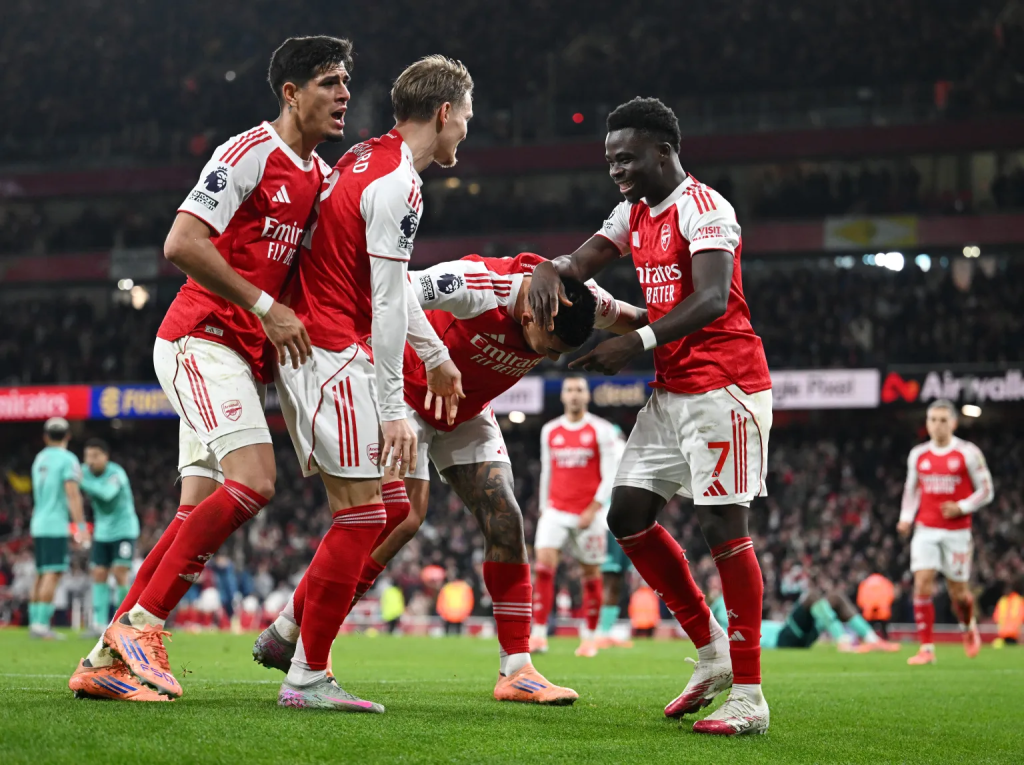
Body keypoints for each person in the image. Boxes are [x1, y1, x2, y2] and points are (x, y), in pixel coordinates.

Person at [72, 36, 353, 702]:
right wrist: (265, 306)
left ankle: (104, 657)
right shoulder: (247, 154)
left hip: (237, 355)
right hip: (200, 339)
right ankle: (141, 625)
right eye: (329, 82)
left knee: (193, 512)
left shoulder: (317, 175)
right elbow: (180, 242)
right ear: (291, 92)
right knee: (254, 480)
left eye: (346, 82)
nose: (344, 94)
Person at [257, 251, 645, 705]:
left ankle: (517, 669)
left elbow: (639, 317)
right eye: (549, 346)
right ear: (527, 313)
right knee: (398, 519)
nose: (551, 358)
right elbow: (395, 289)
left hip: (468, 408)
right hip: (406, 394)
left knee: (505, 516)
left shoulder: (581, 302)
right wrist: (435, 357)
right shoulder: (475, 284)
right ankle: (292, 628)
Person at [529, 97, 773, 735]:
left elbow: (714, 299)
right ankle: (711, 650)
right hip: (672, 389)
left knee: (724, 528)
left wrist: (632, 342)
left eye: (628, 157)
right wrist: (547, 275)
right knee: (627, 514)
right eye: (610, 159)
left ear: (664, 151)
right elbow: (579, 264)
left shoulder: (706, 208)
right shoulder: (631, 212)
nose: (617, 169)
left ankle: (749, 695)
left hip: (726, 386)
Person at [271, 55, 471, 713]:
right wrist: (394, 409)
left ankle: (289, 634)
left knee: (383, 509)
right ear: (444, 113)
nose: (466, 131)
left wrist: (435, 352)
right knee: (364, 514)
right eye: (465, 117)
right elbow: (386, 300)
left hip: (324, 346)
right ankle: (305, 675)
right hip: (333, 353)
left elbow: (385, 287)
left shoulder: (365, 156)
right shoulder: (400, 184)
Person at [532, 377, 624, 658]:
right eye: (569, 390)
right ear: (562, 396)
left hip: (590, 514)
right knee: (543, 567)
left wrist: (594, 508)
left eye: (579, 390)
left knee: (591, 574)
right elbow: (547, 470)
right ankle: (538, 635)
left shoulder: (601, 430)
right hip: (555, 511)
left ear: (587, 396)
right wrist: (543, 507)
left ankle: (590, 637)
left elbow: (611, 473)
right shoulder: (550, 430)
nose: (574, 395)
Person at [898, 399, 994, 665]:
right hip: (926, 528)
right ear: (927, 423)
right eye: (932, 420)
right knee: (922, 582)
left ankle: (968, 626)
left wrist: (962, 506)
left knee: (959, 595)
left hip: (957, 532)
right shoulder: (918, 454)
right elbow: (911, 490)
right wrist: (906, 518)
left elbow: (987, 490)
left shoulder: (968, 452)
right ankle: (927, 649)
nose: (937, 425)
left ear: (953, 422)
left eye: (943, 420)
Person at [709, 580, 899, 652]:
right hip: (782, 639)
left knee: (835, 598)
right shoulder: (721, 608)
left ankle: (872, 639)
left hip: (797, 636)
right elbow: (718, 619)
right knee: (812, 597)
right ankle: (842, 640)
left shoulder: (737, 602)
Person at [29, 417, 88, 640]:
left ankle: (35, 622)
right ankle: (41, 626)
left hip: (38, 523)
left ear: (46, 436)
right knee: (52, 574)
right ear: (68, 436)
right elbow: (72, 494)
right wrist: (81, 526)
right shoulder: (68, 459)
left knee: (41, 573)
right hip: (54, 524)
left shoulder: (39, 458)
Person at [79, 439, 140, 635]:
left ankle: (124, 622)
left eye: (95, 456)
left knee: (120, 572)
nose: (90, 461)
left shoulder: (116, 473)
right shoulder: (85, 471)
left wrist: (81, 480)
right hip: (102, 532)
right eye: (88, 456)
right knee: (98, 573)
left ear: (105, 456)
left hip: (124, 530)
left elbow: (106, 494)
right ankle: (98, 624)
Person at [856, 572, 896, 640]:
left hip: (869, 611)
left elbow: (860, 599)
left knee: (868, 630)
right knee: (884, 630)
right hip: (883, 611)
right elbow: (891, 596)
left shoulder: (865, 583)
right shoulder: (885, 582)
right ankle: (885, 641)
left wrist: (866, 606)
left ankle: (868, 640)